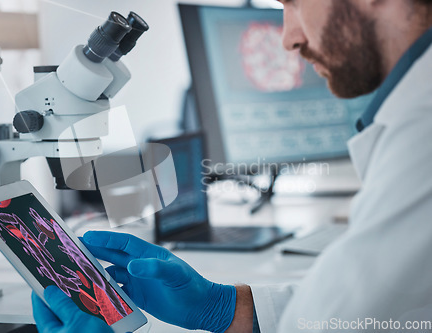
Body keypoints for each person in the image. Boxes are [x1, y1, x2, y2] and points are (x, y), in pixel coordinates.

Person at [32, 0, 432, 332]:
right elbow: (375, 314)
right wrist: (226, 307)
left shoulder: (421, 139)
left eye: (293, 3)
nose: (289, 37)